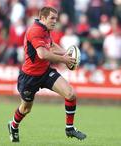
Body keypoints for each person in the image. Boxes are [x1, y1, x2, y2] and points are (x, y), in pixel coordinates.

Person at [7, 6, 87, 142]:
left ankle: (70, 128)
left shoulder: (45, 29)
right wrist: (64, 59)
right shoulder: (35, 30)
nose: (55, 21)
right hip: (29, 77)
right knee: (26, 109)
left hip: (45, 72)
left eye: (56, 18)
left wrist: (66, 53)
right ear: (43, 18)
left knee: (70, 94)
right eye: (52, 18)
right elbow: (42, 54)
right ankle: (13, 125)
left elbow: (51, 45)